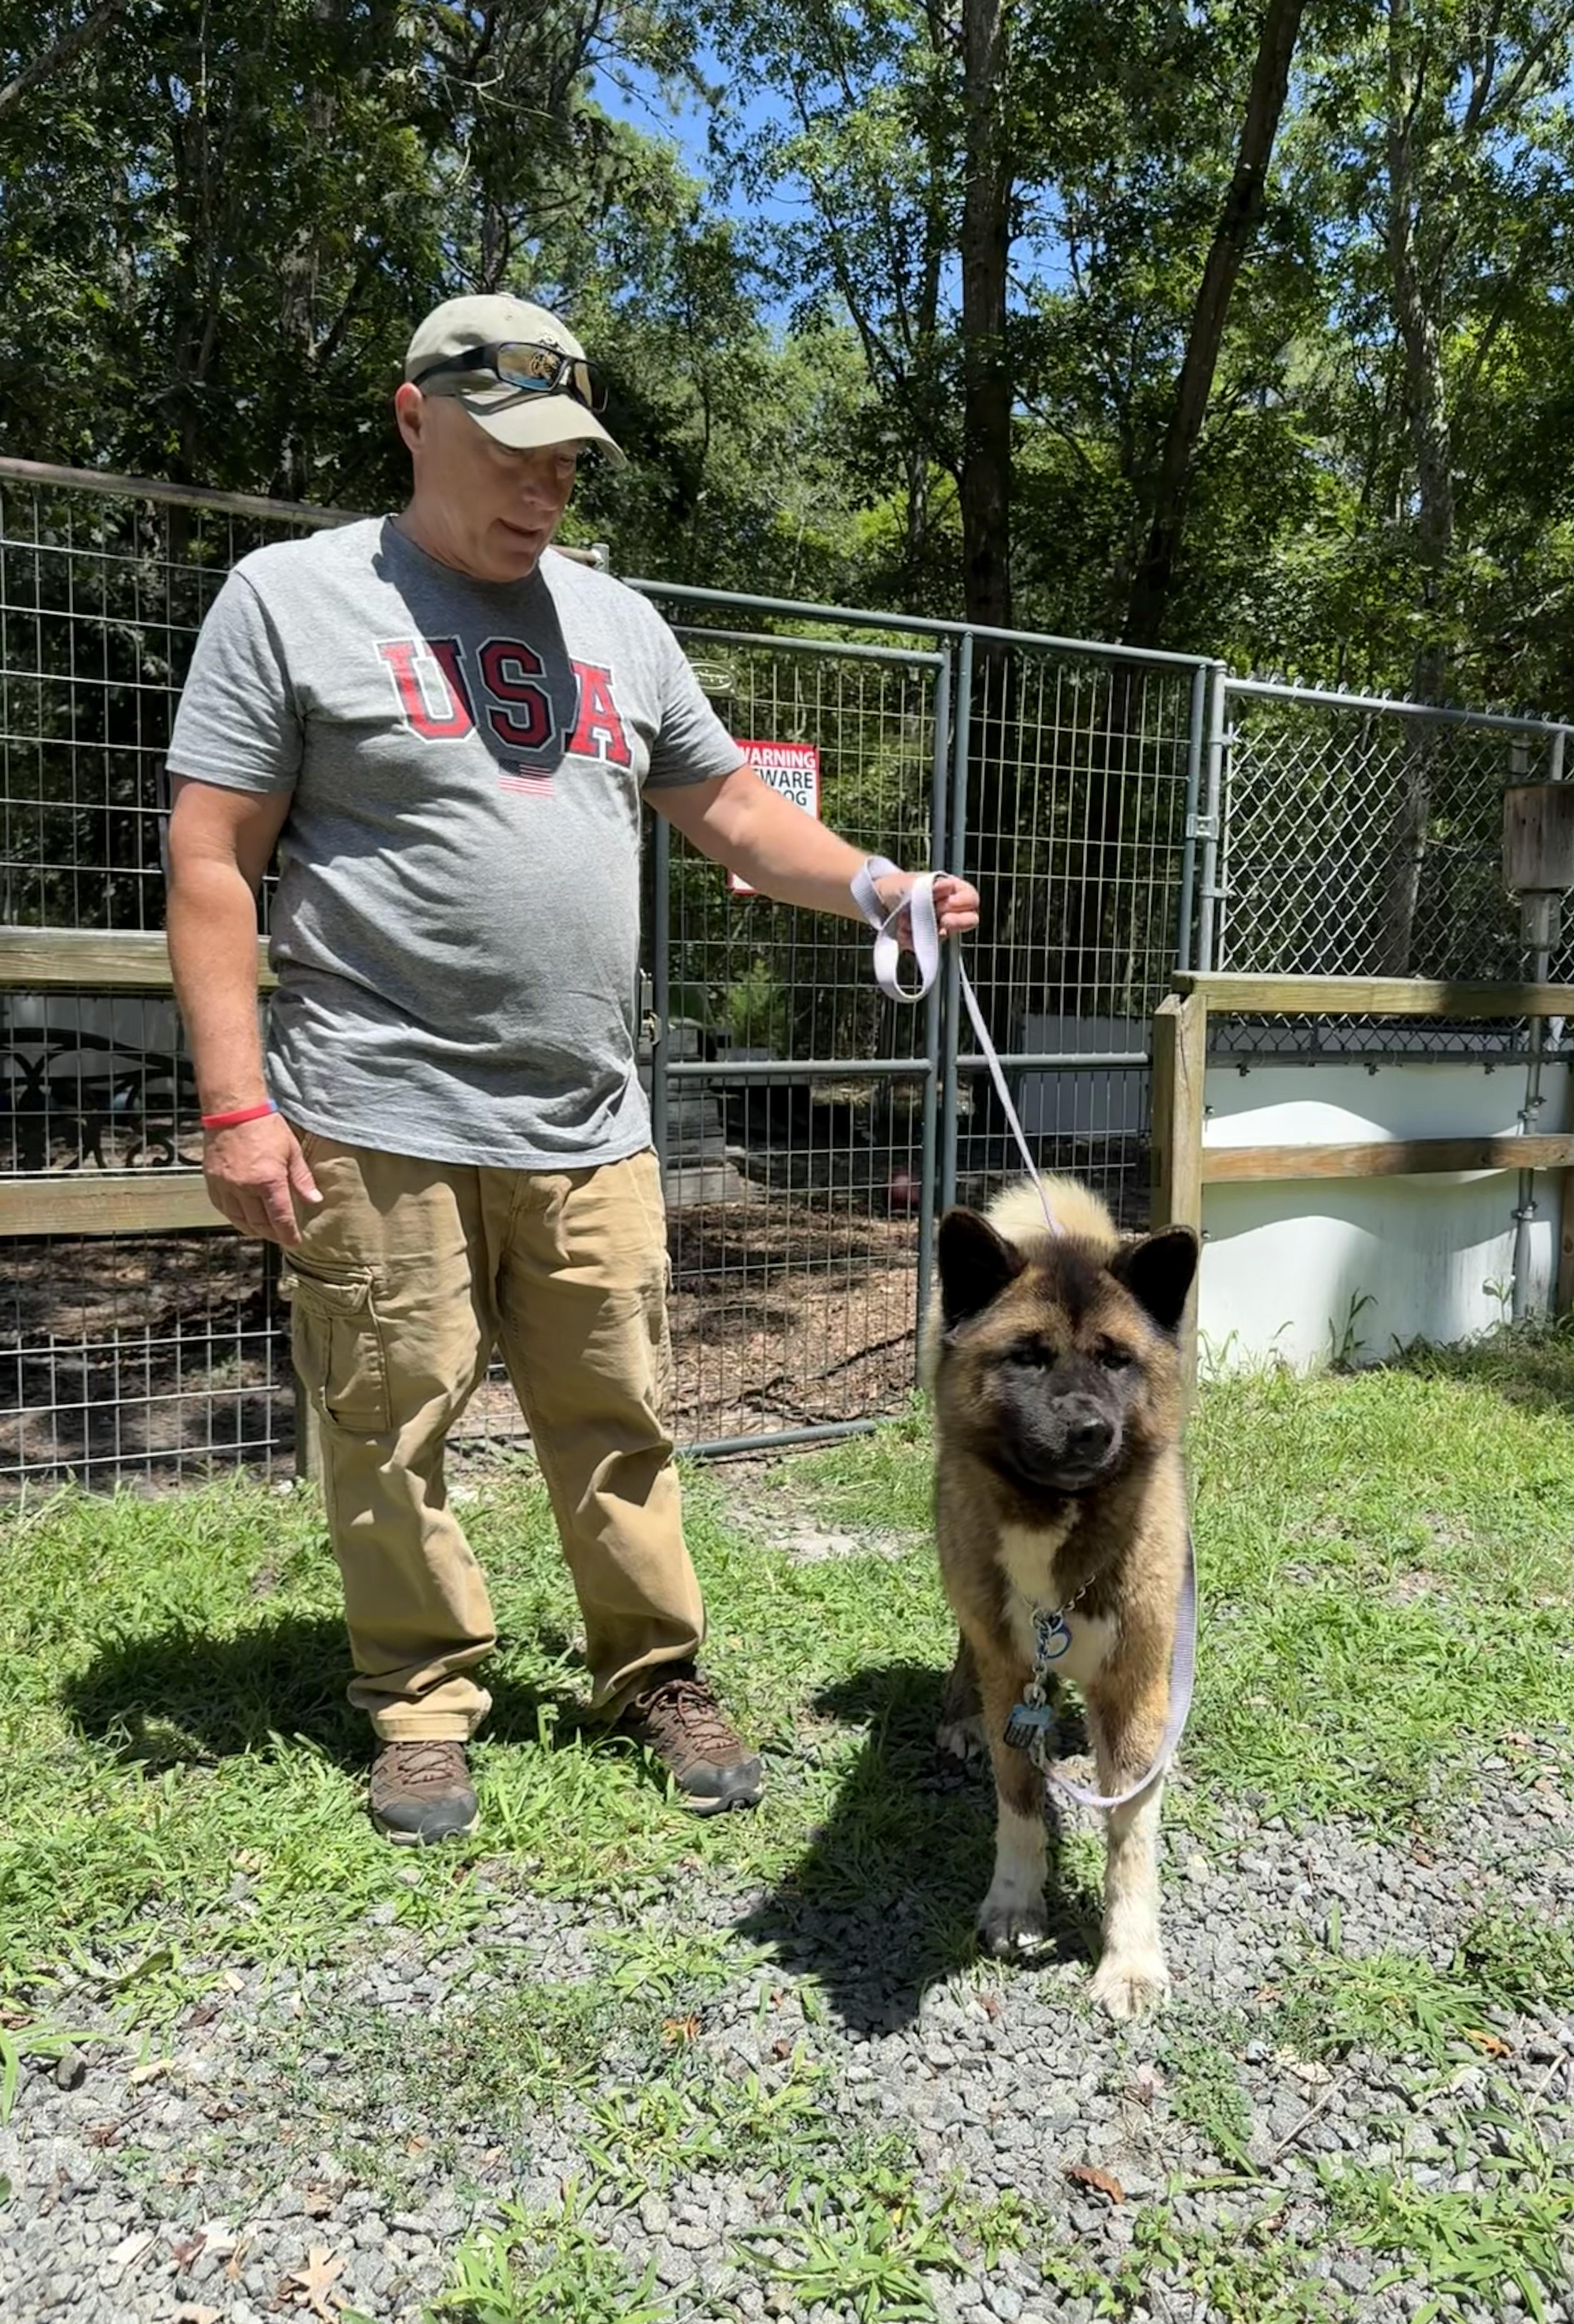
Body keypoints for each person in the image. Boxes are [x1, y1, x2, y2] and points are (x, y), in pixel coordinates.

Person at [165, 292, 978, 1845]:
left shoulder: (617, 622)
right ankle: (421, 1701)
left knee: (619, 1411)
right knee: (388, 1424)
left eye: (567, 459)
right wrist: (236, 1105)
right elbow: (213, 859)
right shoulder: (292, 600)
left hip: (589, 1114)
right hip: (374, 1108)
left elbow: (733, 812)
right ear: (416, 420)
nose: (545, 484)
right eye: (513, 451)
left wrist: (876, 884)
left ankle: (653, 1671)